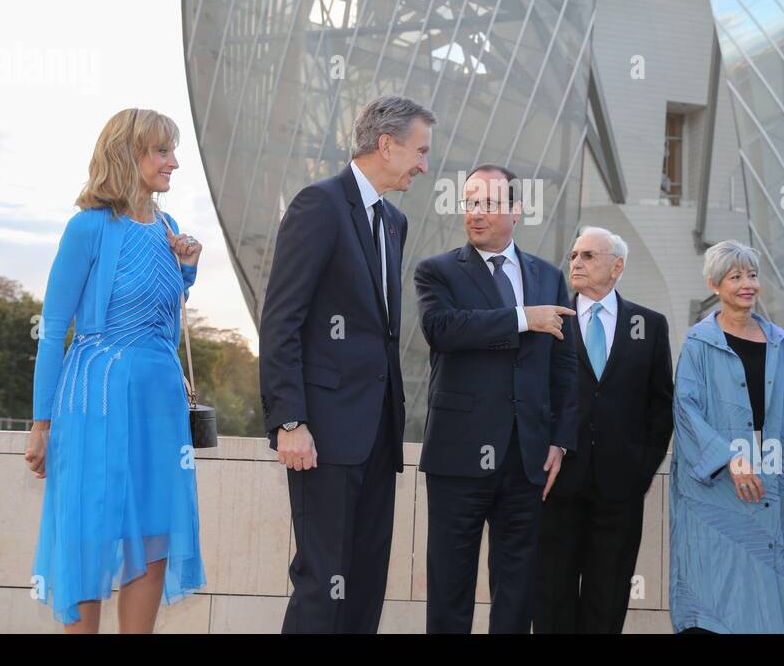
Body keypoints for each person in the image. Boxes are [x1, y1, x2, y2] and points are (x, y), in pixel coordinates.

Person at [24, 107, 206, 632]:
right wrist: (41, 424)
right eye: (162, 151)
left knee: (153, 534)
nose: (174, 162)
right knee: (89, 530)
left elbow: (159, 319)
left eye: (173, 150)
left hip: (159, 401)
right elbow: (55, 326)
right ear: (129, 155)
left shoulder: (170, 229)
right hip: (96, 396)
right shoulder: (88, 228)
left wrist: (187, 270)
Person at [260, 95, 435, 634]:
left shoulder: (395, 222)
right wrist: (290, 420)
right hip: (324, 435)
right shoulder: (319, 204)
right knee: (322, 580)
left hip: (378, 436)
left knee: (364, 582)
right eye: (420, 150)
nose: (425, 164)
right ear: (386, 145)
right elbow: (281, 320)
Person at [414, 164, 579, 633]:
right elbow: (442, 330)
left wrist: (560, 441)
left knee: (518, 588)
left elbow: (564, 368)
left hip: (527, 461)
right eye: (470, 203)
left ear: (515, 209)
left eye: (488, 203)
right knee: (449, 586)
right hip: (458, 457)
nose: (476, 213)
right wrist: (523, 318)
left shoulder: (548, 276)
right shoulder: (438, 271)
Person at [532, 226, 673, 634]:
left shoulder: (649, 325)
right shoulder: (548, 320)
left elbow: (660, 404)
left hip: (620, 490)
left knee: (607, 597)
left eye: (589, 256)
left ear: (617, 267)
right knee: (551, 597)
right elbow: (532, 395)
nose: (576, 262)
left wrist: (641, 471)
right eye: (575, 255)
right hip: (555, 485)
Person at [669, 240, 784, 633]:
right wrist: (730, 458)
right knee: (717, 583)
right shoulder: (698, 343)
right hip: (715, 486)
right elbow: (686, 409)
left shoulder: (782, 343)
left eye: (751, 275)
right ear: (715, 285)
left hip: (772, 477)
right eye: (735, 277)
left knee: (771, 577)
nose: (747, 284)